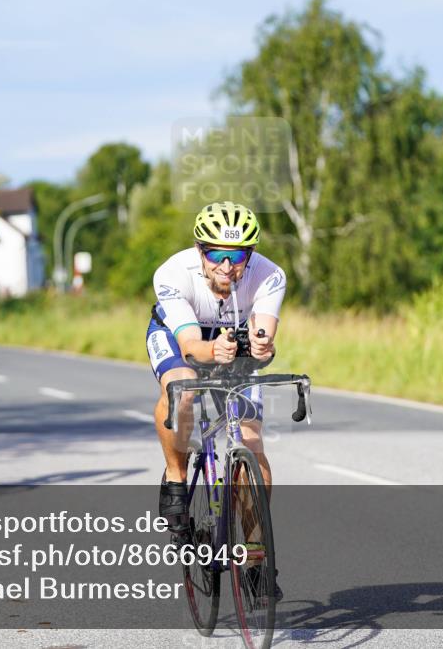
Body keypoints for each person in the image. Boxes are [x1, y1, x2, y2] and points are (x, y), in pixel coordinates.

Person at [148, 201, 286, 592]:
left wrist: (261, 346)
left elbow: (264, 335)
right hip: (179, 335)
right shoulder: (172, 273)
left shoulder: (270, 275)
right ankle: (175, 477)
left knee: (252, 443)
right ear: (200, 251)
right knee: (181, 386)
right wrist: (213, 351)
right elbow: (191, 345)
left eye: (238, 256)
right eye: (216, 255)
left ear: (251, 254)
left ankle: (255, 558)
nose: (227, 266)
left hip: (233, 338)